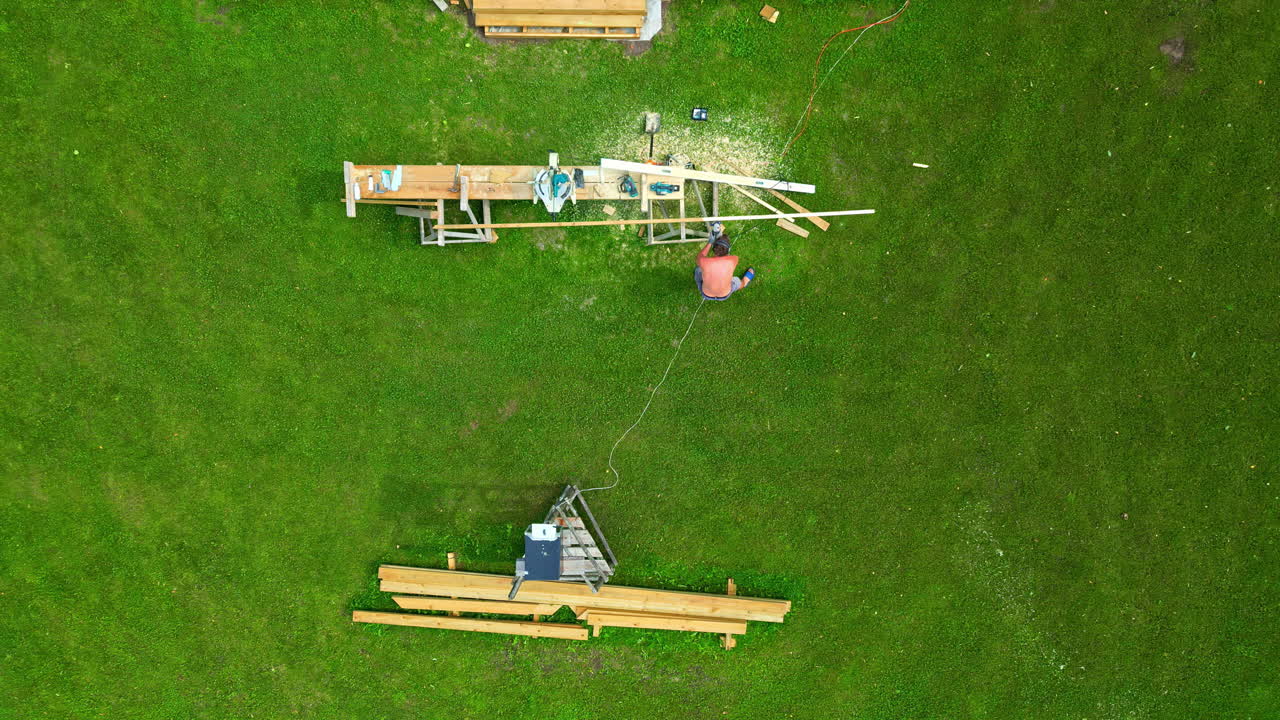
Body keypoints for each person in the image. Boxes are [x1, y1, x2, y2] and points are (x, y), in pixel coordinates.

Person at [694, 222, 754, 301]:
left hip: (706, 294)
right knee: (736, 281)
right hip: (724, 295)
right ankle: (744, 282)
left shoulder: (703, 262)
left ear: (713, 249)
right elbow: (726, 255)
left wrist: (710, 242)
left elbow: (700, 256)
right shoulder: (734, 259)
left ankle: (745, 282)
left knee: (698, 270)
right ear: (728, 250)